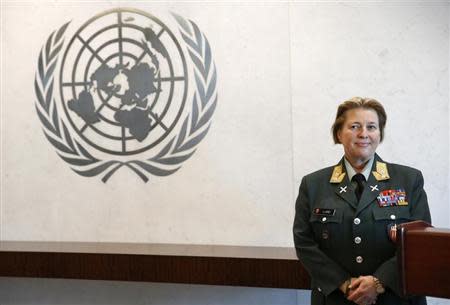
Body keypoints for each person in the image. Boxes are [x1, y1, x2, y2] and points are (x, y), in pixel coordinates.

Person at [293, 97, 431, 305]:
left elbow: (420, 243)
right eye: (354, 126)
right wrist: (343, 283)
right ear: (339, 134)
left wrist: (378, 282)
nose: (364, 134)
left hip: (395, 298)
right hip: (337, 298)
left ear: (379, 134)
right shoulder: (313, 184)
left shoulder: (409, 180)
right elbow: (304, 242)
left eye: (372, 127)